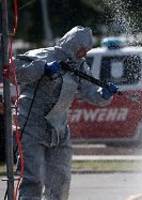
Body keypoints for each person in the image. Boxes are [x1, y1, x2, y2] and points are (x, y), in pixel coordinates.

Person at [14, 26, 118, 200]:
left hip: (59, 128)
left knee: (61, 178)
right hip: (32, 125)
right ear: (72, 44)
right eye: (82, 50)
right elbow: (15, 72)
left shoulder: (80, 67)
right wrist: (42, 69)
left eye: (87, 51)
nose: (84, 54)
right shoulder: (43, 55)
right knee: (33, 178)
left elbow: (90, 92)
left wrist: (104, 95)